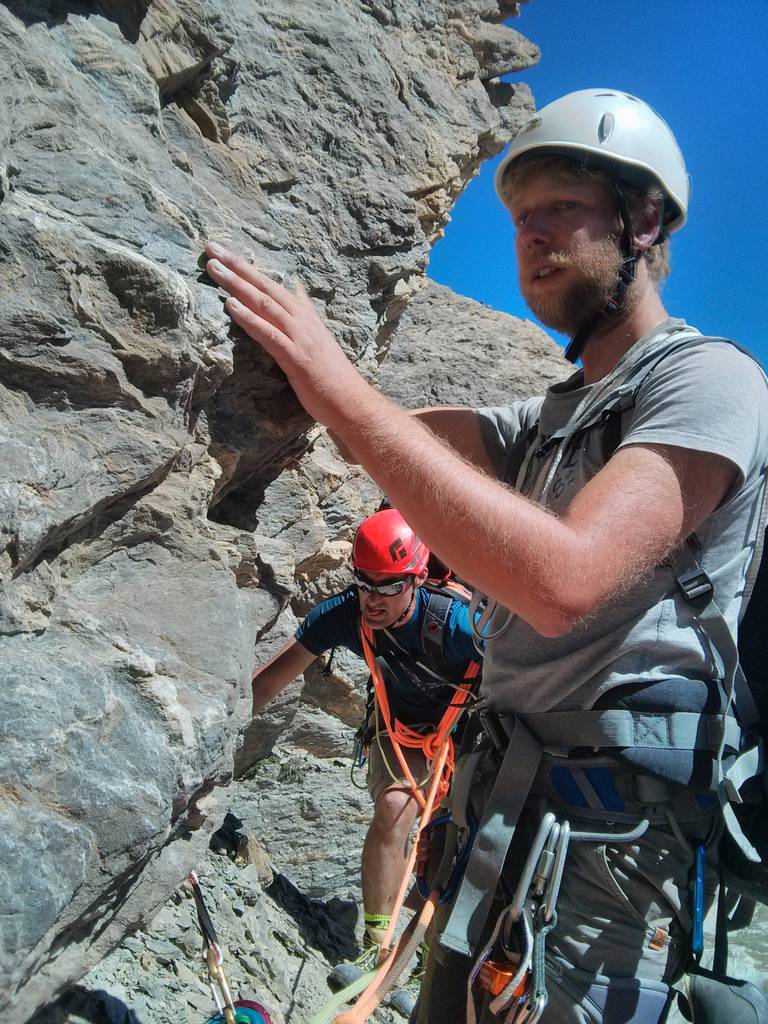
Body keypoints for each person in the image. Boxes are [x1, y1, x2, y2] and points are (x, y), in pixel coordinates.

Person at [204, 87, 768, 1023]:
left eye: (561, 210)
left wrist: (341, 389)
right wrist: (306, 378)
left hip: (610, 842)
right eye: (517, 220)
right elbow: (391, 440)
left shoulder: (710, 380)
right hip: (503, 800)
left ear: (646, 220)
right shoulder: (550, 418)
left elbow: (563, 583)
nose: (532, 237)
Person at [250, 507, 480, 993]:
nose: (373, 598)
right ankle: (378, 941)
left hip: (470, 733)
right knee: (395, 809)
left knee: (458, 840)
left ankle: (428, 947)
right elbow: (270, 681)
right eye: (364, 582)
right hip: (400, 731)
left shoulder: (457, 626)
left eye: (388, 585)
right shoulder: (346, 616)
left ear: (416, 579)